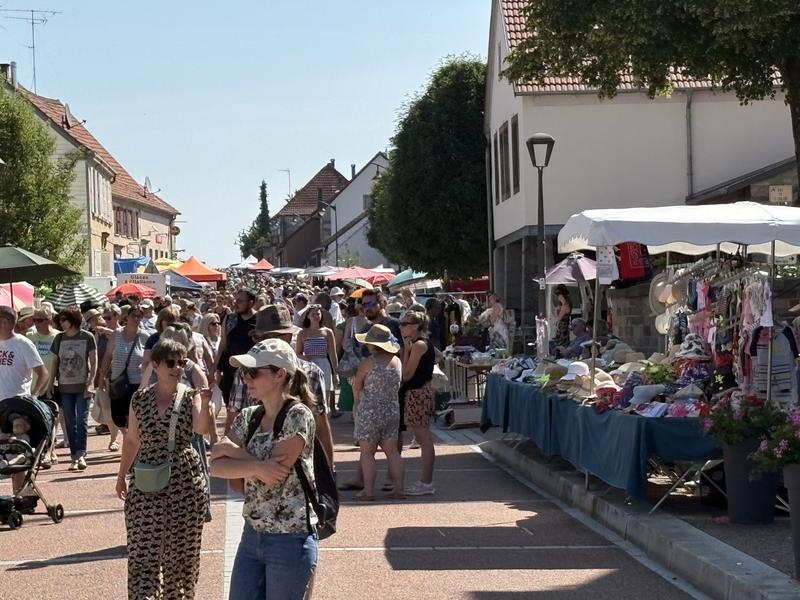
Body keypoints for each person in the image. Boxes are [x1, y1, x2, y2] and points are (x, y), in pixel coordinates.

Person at [210, 338, 318, 600]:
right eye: (245, 372)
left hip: (290, 539)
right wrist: (257, 465)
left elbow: (274, 476)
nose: (247, 378)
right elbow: (215, 463)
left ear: (280, 374)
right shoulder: (249, 416)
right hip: (252, 534)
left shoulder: (298, 415)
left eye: (254, 372)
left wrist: (237, 456)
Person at [116, 338, 211, 600]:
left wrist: (207, 405)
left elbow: (201, 430)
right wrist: (122, 475)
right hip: (146, 479)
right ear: (155, 365)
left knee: (181, 553)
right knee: (142, 548)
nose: (177, 368)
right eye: (171, 362)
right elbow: (132, 439)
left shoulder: (190, 396)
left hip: (183, 480)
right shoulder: (140, 399)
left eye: (182, 363)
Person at [228, 304, 335, 466]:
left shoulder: (312, 372)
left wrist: (329, 472)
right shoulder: (244, 372)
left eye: (265, 338)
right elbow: (233, 420)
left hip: (298, 468)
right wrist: (235, 468)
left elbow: (321, 424)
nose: (258, 343)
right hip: (253, 464)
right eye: (256, 337)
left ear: (286, 338)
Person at [352, 324, 405, 501]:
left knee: (367, 453)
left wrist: (357, 404)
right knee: (392, 452)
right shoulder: (397, 361)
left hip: (370, 410)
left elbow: (357, 385)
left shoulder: (368, 363)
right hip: (391, 409)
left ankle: (368, 490)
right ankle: (399, 488)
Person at [48, 307, 98, 471]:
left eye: (64, 319)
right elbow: (54, 363)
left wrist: (91, 383)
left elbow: (94, 361)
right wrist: (49, 385)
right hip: (64, 386)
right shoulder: (59, 338)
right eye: (60, 320)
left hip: (82, 385)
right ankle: (74, 457)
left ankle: (81, 455)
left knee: (81, 420)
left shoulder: (87, 336)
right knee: (69, 421)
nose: (61, 323)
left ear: (73, 319)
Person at [399, 309, 437, 496]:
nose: (401, 327)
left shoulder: (419, 345)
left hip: (419, 393)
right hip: (418, 392)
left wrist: (406, 351)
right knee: (422, 438)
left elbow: (406, 374)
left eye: (405, 324)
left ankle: (426, 482)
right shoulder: (419, 344)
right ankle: (425, 481)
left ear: (415, 326)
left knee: (424, 439)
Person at [98, 307, 149, 432]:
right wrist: (101, 377)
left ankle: (132, 443)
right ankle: (128, 439)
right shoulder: (117, 334)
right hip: (118, 382)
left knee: (135, 418)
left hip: (137, 384)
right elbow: (108, 356)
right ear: (127, 317)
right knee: (118, 417)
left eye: (139, 316)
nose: (136, 319)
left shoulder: (144, 336)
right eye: (133, 316)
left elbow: (149, 361)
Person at [217, 289, 258, 433]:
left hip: (253, 374)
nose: (236, 303)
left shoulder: (259, 321)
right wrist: (215, 369)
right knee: (232, 410)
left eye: (240, 301)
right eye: (236, 300)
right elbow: (223, 344)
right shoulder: (230, 319)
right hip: (230, 373)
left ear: (251, 303)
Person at [296, 304, 339, 417]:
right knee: (310, 397)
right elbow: (298, 353)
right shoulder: (303, 333)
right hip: (309, 366)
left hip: (324, 365)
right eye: (313, 314)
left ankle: (325, 421)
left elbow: (332, 353)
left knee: (325, 397)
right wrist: (306, 357)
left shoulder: (327, 332)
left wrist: (336, 373)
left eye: (318, 314)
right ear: (308, 316)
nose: (316, 316)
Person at [0, 306, 48, 400]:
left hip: (16, 404)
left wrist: (34, 396)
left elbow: (44, 374)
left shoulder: (23, 344)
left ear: (4, 323)